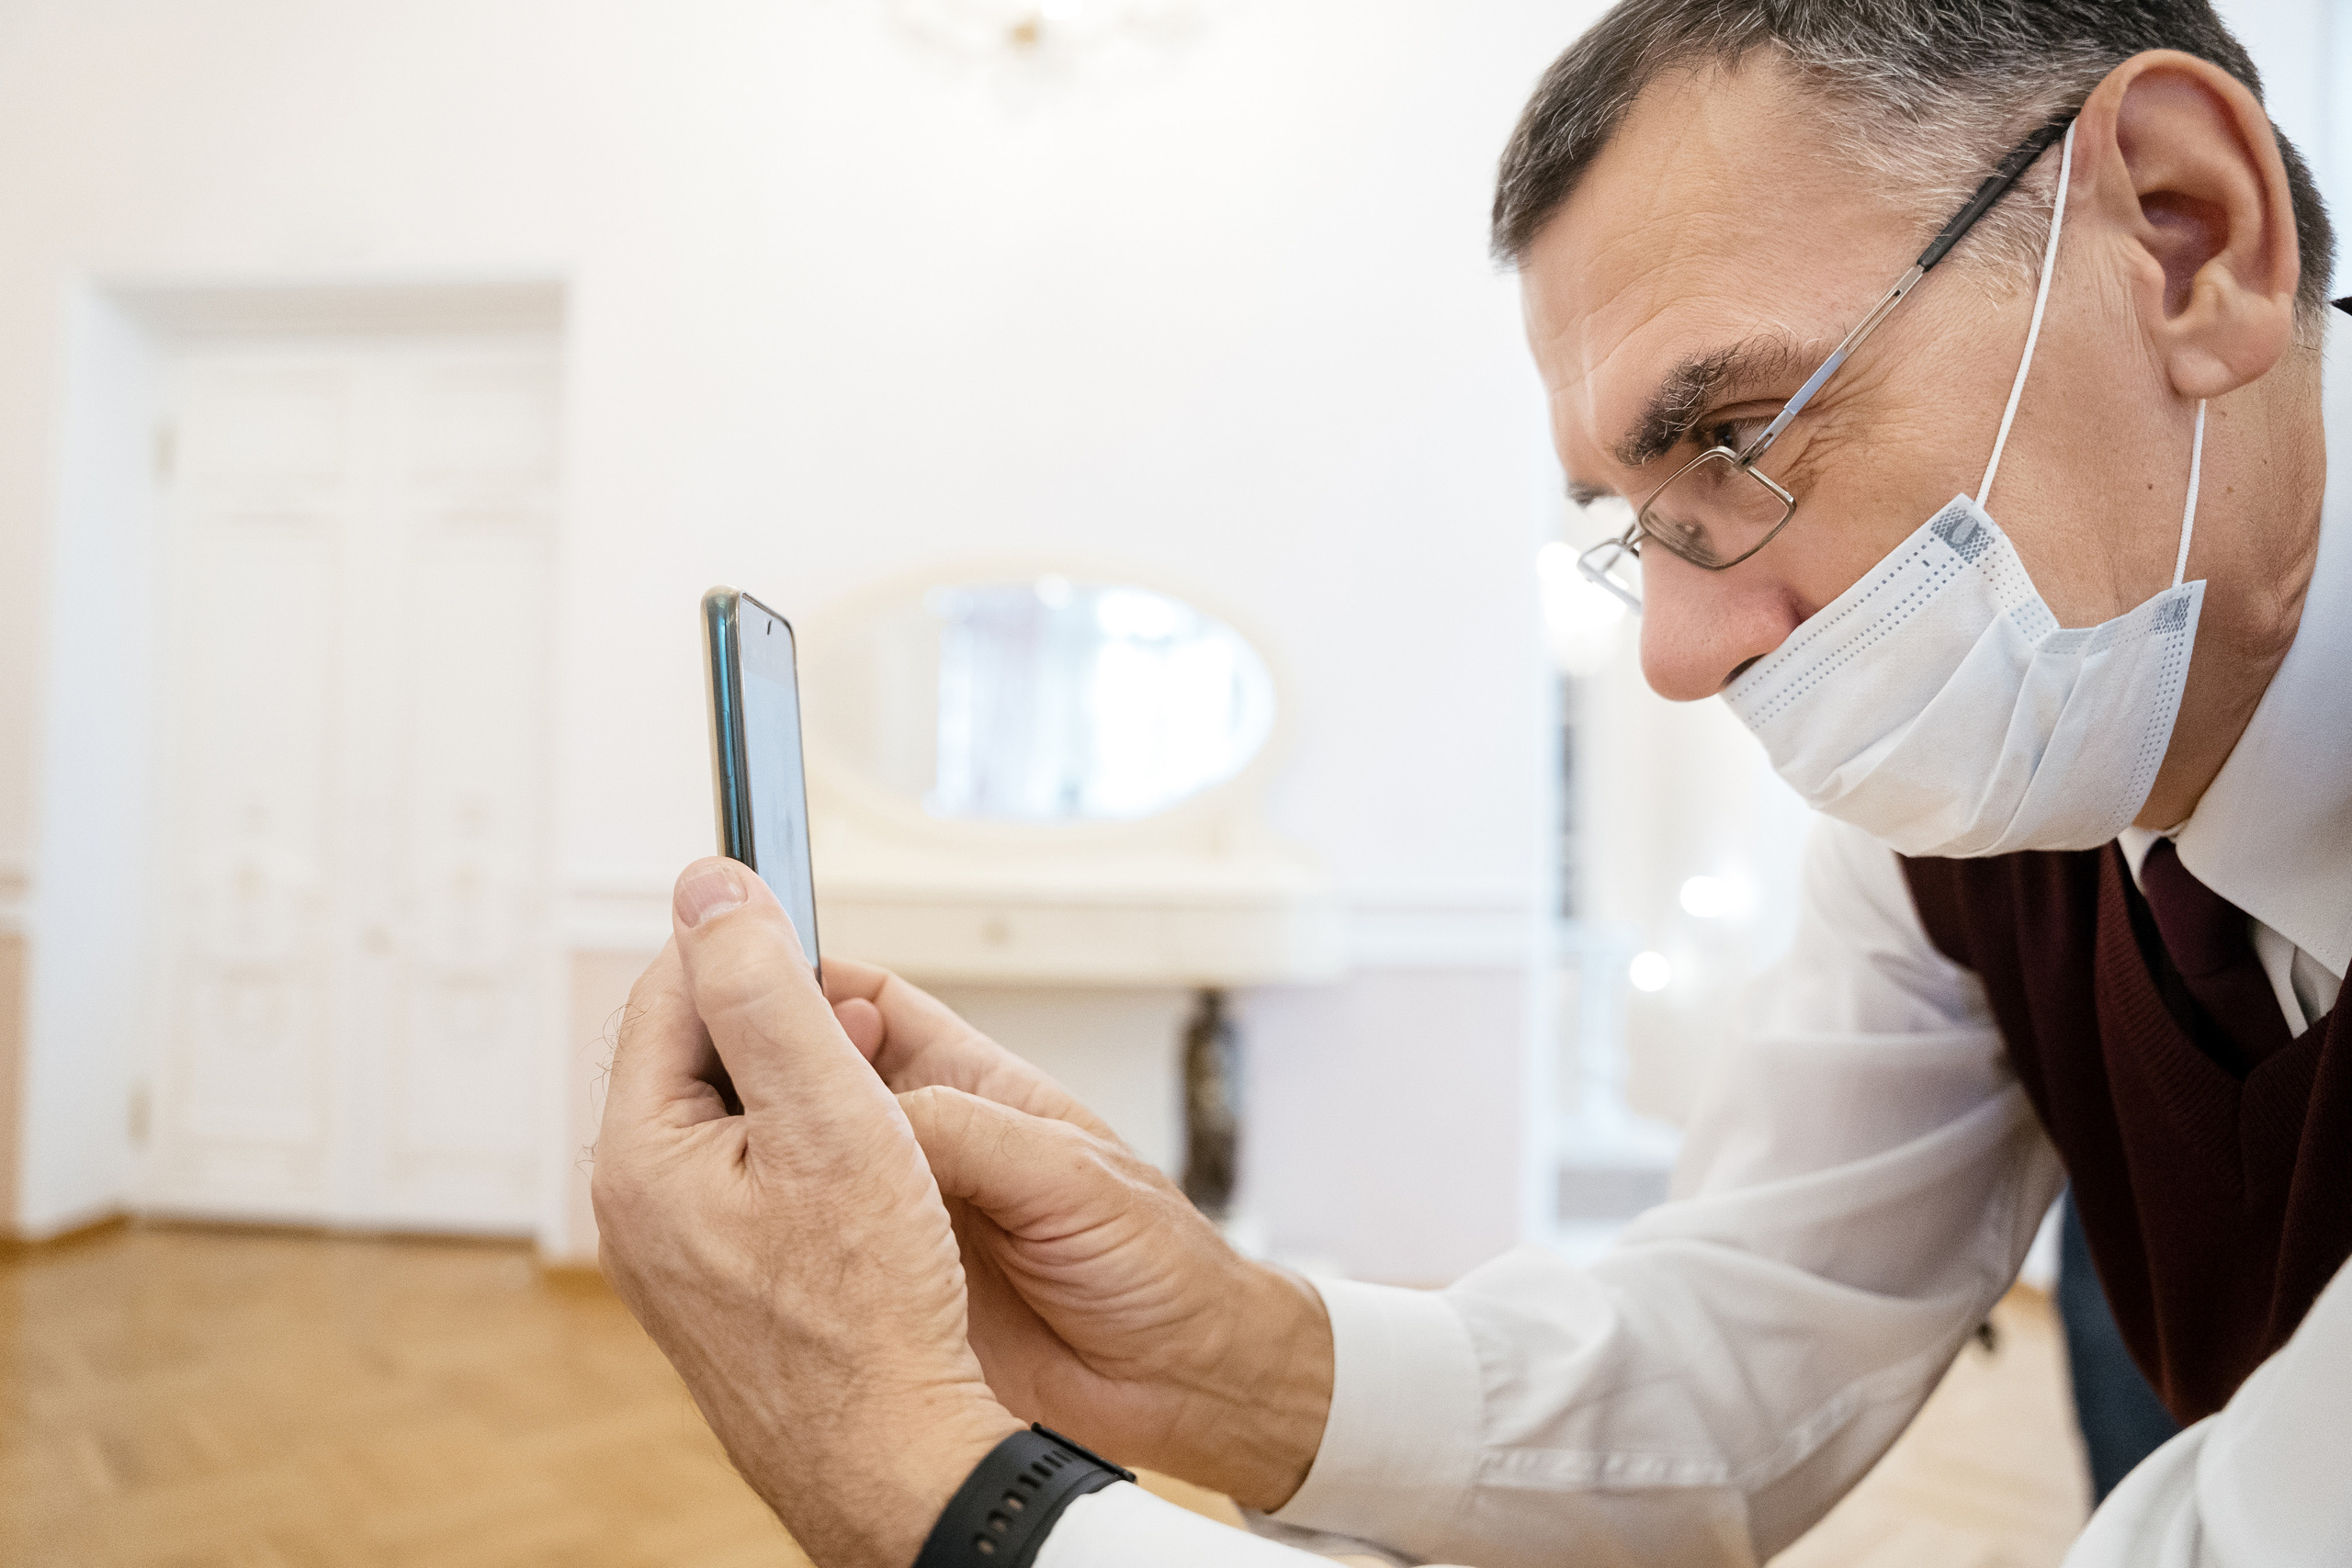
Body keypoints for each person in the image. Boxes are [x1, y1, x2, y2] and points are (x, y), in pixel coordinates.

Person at [589, 3, 2352, 1564]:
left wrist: (925, 1482)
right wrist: (1207, 1336)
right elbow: (1743, 1352)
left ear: (2185, 240)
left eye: (1735, 441)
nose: (1676, 652)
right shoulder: (1975, 822)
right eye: (1637, 523)